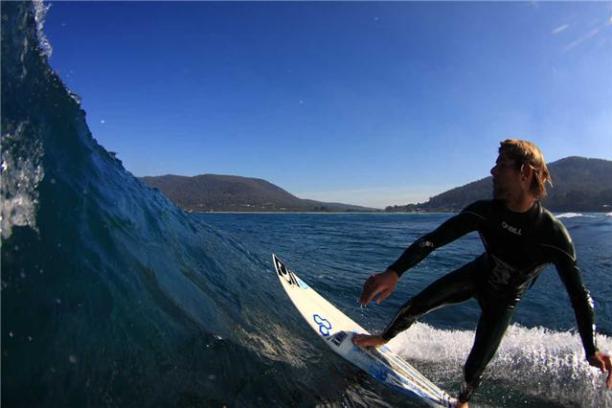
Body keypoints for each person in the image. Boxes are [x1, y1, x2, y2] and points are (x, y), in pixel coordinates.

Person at [352, 139, 612, 407]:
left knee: (475, 367)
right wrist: (394, 272)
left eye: (501, 164)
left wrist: (590, 349)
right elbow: (433, 240)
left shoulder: (553, 236)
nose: (492, 171)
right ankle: (382, 338)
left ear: (524, 173)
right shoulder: (484, 212)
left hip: (504, 299)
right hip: (476, 275)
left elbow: (579, 295)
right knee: (416, 305)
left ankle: (462, 402)